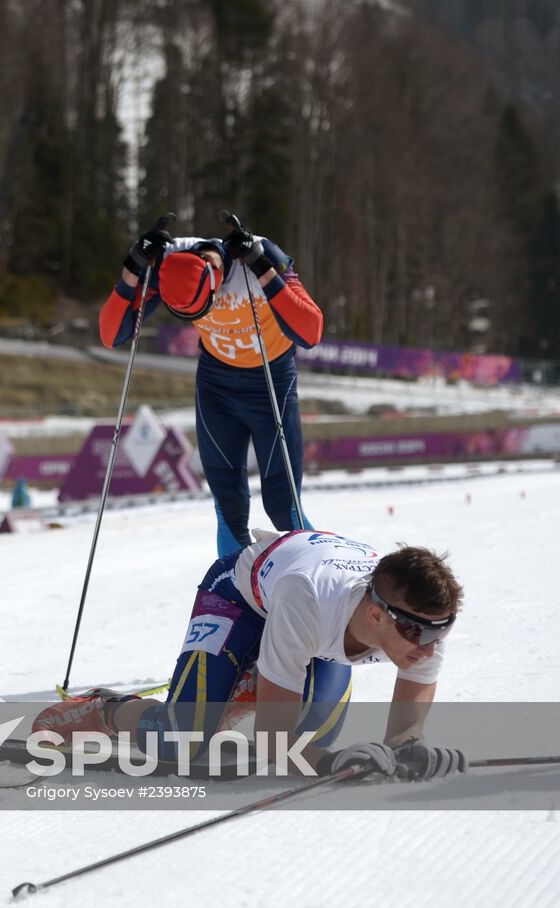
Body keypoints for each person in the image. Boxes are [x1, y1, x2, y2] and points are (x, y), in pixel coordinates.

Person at [35, 529, 468, 781]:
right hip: (240, 595)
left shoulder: (422, 618)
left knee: (315, 735)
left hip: (311, 625)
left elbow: (404, 733)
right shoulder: (310, 599)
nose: (429, 646)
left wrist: (414, 749)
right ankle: (108, 710)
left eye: (442, 630)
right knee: (180, 744)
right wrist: (332, 764)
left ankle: (260, 678)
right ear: (376, 615)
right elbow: (272, 741)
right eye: (417, 633)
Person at [99, 220, 324, 556]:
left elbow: (310, 332)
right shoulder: (170, 262)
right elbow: (112, 334)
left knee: (283, 507)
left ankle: (325, 579)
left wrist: (262, 266)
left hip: (271, 382)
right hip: (216, 386)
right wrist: (132, 267)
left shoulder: (261, 254)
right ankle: (236, 598)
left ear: (214, 279)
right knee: (229, 508)